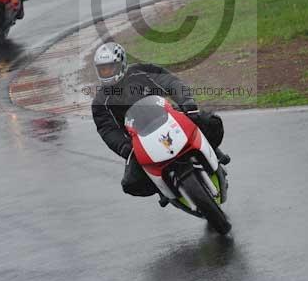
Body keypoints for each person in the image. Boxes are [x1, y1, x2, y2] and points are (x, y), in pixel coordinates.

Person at [91, 42, 229, 202]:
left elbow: (171, 82)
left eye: (109, 68)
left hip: (170, 118)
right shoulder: (100, 102)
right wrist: (124, 147)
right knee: (131, 183)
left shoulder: (142, 71)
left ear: (121, 64)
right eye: (102, 69)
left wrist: (187, 102)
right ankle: (162, 188)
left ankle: (213, 152)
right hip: (139, 141)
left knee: (211, 122)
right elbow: (107, 129)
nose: (106, 72)